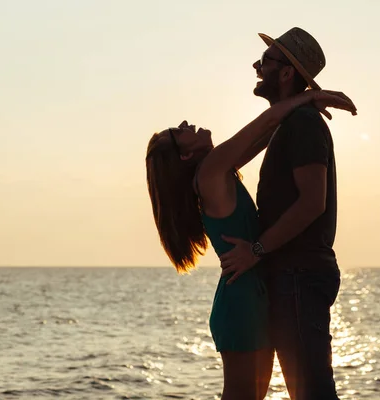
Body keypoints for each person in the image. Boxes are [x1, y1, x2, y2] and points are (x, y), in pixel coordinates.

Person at [145, 87, 356, 399]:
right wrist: (311, 96)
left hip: (250, 295)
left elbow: (268, 131)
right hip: (241, 301)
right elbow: (265, 122)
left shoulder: (216, 171)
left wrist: (305, 106)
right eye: (179, 132)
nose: (187, 123)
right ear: (185, 155)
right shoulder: (210, 171)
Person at [219, 27, 349, 400]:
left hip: (299, 275)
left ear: (287, 72)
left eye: (267, 60)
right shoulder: (290, 122)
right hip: (294, 275)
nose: (257, 66)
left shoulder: (303, 124)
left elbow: (312, 203)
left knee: (312, 393)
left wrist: (255, 250)